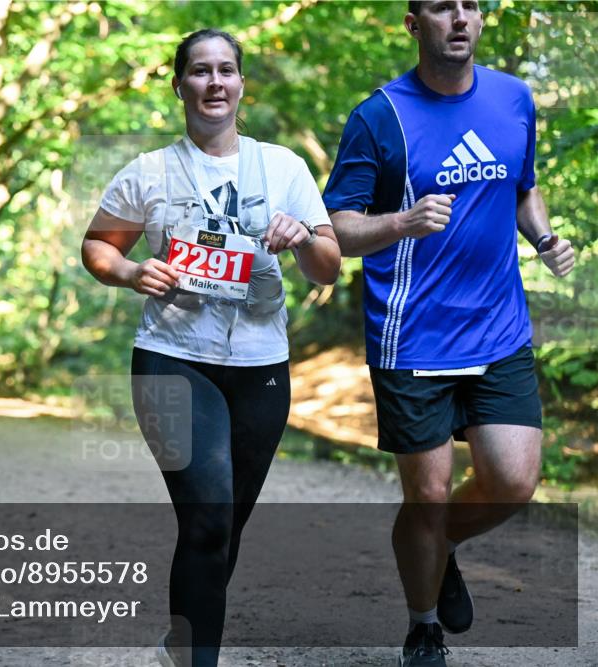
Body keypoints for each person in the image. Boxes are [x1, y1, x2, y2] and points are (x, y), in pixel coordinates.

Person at [322, 2, 576, 665]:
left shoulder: (514, 99)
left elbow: (523, 188)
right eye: (441, 7)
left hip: (498, 329)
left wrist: (544, 237)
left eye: (471, 6)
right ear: (414, 24)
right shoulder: (380, 117)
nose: (459, 18)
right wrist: (400, 223)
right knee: (427, 493)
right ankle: (423, 625)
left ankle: (442, 548)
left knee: (514, 481)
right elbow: (337, 227)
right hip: (413, 337)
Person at [81, 29, 341, 667]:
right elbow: (99, 246)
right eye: (200, 71)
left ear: (241, 85)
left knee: (226, 527)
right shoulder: (148, 171)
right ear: (180, 86)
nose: (215, 82)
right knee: (208, 519)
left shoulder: (283, 168)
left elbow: (328, 268)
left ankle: (184, 635)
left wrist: (304, 234)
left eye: (227, 70)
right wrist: (130, 273)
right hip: (170, 359)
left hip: (259, 368)